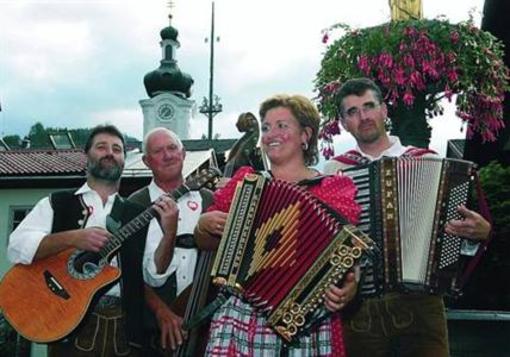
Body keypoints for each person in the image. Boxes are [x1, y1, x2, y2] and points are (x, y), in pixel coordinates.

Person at [324, 77, 491, 357]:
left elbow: (455, 234)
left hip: (422, 305)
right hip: (359, 308)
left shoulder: (430, 162)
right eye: (352, 112)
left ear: (384, 111)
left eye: (369, 106)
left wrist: (478, 234)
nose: (363, 116)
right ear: (343, 123)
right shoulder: (333, 171)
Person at [195, 94, 362, 356]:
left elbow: (347, 256)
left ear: (305, 135)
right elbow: (205, 242)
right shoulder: (247, 181)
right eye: (266, 127)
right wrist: (203, 225)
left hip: (306, 319)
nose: (271, 133)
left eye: (282, 125)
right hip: (241, 313)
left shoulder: (332, 189)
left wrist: (351, 285)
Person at [7, 124, 151, 356]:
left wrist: (171, 227)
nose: (110, 153)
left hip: (125, 333)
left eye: (117, 149)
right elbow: (16, 247)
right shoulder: (57, 203)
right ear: (87, 155)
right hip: (66, 325)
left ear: (124, 159)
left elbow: (155, 273)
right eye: (101, 147)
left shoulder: (137, 214)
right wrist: (73, 238)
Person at [128, 127, 212, 354]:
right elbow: (128, 271)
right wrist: (161, 311)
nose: (167, 156)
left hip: (203, 330)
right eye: (158, 151)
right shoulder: (134, 205)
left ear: (183, 153)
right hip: (153, 334)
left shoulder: (209, 199)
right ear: (146, 161)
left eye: (172, 148)